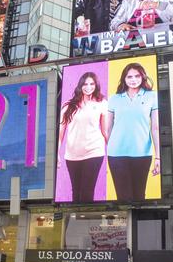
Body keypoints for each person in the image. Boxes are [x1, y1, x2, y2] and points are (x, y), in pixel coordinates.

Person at [106, 63, 160, 201]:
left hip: (142, 154)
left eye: (137, 76)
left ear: (142, 77)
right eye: (129, 76)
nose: (133, 79)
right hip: (116, 154)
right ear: (124, 78)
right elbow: (108, 128)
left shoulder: (152, 96)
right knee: (123, 198)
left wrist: (158, 157)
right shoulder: (114, 99)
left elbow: (155, 128)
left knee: (139, 197)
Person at [58, 72, 108, 202]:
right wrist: (56, 154)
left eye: (92, 84)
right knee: (76, 192)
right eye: (85, 84)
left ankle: (87, 218)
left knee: (87, 191)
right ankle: (77, 219)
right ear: (80, 85)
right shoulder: (68, 106)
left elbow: (105, 130)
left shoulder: (101, 103)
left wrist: (113, 152)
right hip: (72, 154)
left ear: (96, 85)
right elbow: (60, 133)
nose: (88, 87)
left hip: (94, 151)